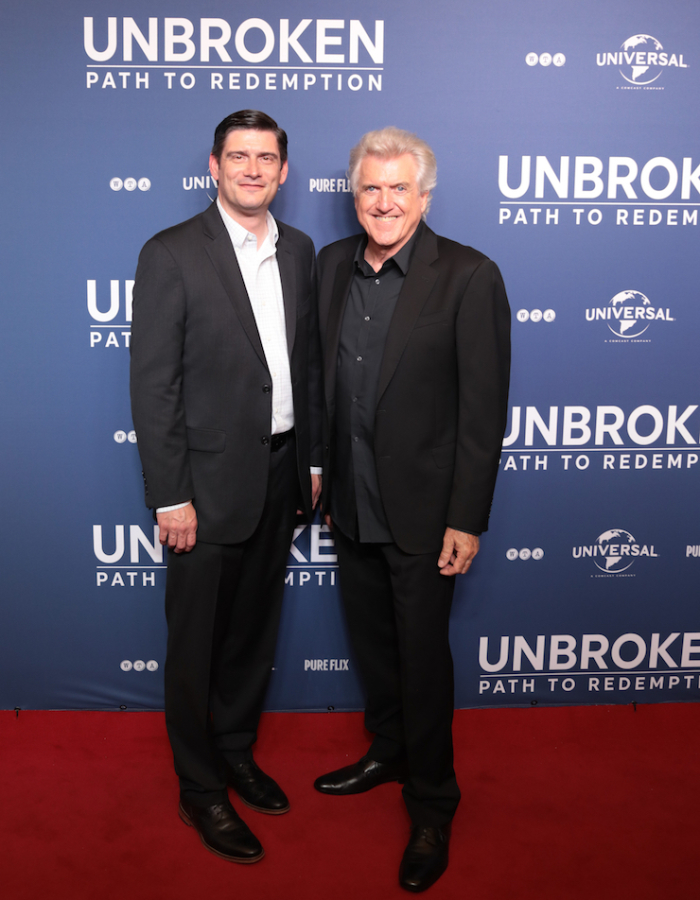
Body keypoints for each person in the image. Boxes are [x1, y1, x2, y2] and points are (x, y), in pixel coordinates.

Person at [314, 127, 510, 892]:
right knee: (374, 647)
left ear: (425, 197)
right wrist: (322, 479)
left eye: (400, 188)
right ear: (354, 196)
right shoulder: (333, 267)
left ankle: (433, 802)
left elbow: (481, 414)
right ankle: (387, 751)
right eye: (371, 188)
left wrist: (468, 517)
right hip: (352, 507)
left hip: (428, 516)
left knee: (423, 659)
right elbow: (324, 383)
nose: (384, 202)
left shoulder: (468, 275)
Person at [130, 110, 321, 864]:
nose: (251, 169)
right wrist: (169, 494)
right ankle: (200, 784)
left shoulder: (301, 251)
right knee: (196, 644)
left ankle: (237, 749)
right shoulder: (172, 254)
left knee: (252, 633)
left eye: (265, 157)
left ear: (282, 172)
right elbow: (154, 386)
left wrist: (310, 462)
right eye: (237, 156)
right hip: (203, 489)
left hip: (281, 472)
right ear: (213, 166)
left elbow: (304, 367)